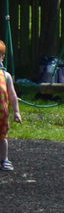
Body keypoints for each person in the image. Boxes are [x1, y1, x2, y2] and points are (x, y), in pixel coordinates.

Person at [0, 40, 19, 172]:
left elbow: (12, 95)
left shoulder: (6, 76)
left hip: (2, 114)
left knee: (2, 138)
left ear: (2, 58)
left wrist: (16, 112)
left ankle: (4, 159)